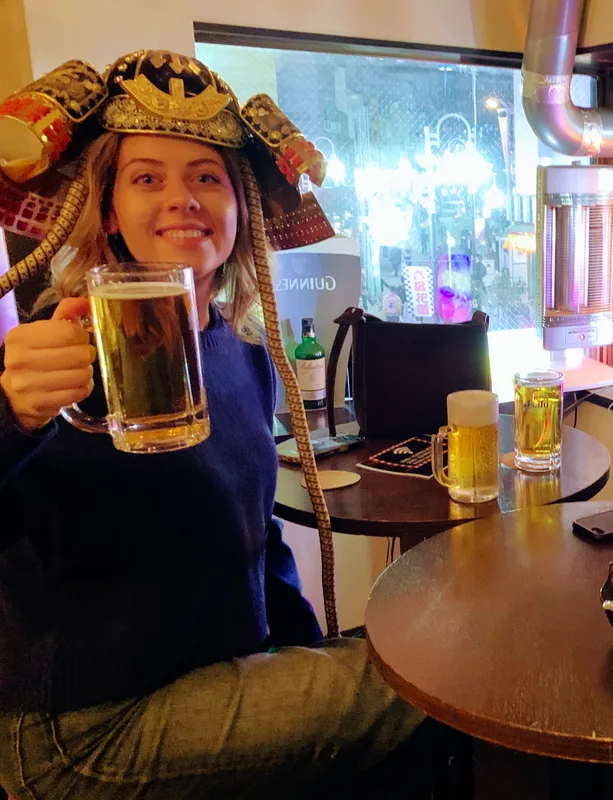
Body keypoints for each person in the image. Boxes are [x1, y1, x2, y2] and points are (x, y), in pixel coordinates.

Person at [0, 51, 431, 799]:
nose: (182, 198)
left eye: (207, 177)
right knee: (436, 676)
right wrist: (14, 416)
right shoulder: (60, 350)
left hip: (222, 679)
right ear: (110, 211)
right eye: (146, 178)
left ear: (242, 209)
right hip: (84, 727)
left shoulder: (245, 356)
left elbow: (257, 546)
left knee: (408, 645)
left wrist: (309, 659)